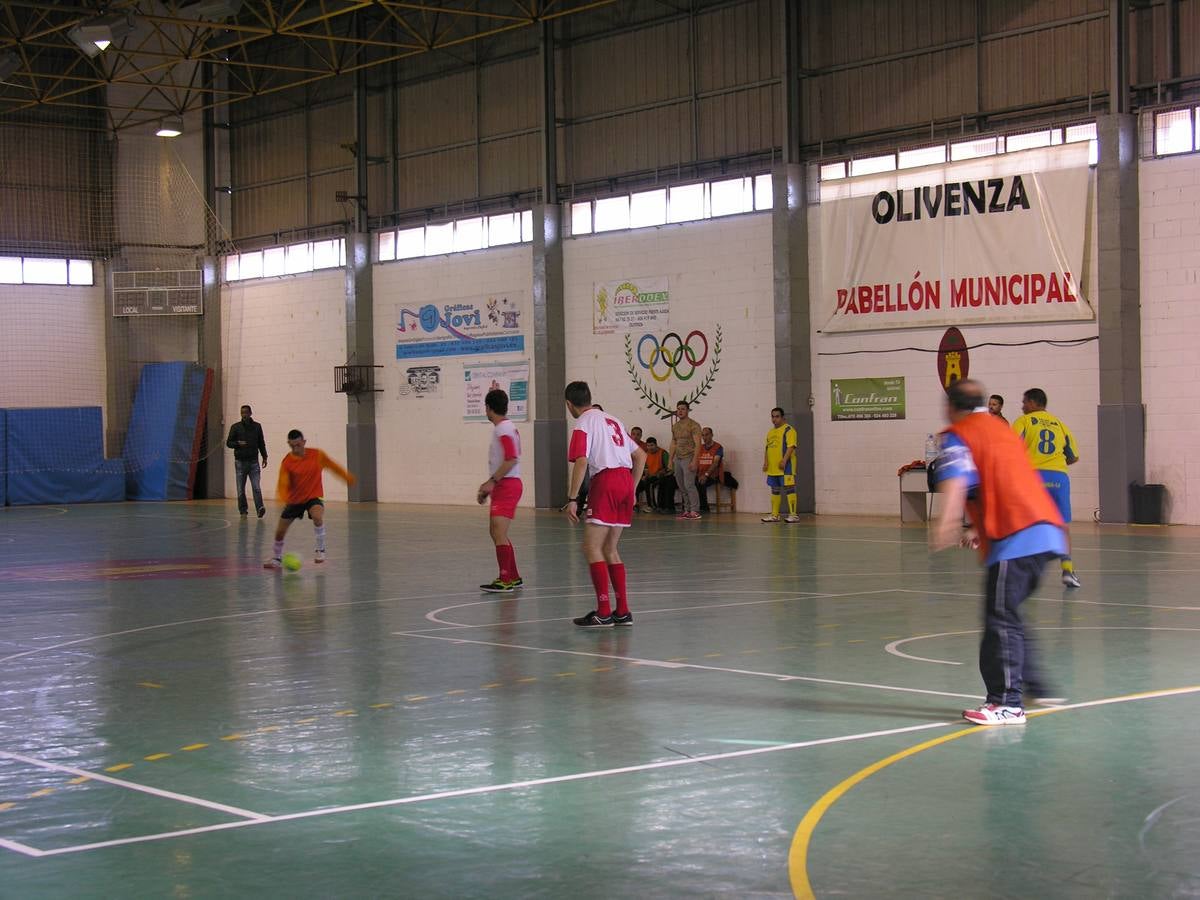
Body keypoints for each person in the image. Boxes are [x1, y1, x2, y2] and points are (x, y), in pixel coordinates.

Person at [929, 379, 1068, 726]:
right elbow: (1005, 478)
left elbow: (958, 479)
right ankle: (1036, 685)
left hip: (1016, 535)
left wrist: (945, 522)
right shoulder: (1001, 430)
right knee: (1009, 613)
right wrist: (978, 527)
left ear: (950, 407)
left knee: (1001, 619)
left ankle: (1007, 703)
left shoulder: (958, 433)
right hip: (1045, 532)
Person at [564, 381, 647, 627]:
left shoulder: (583, 423)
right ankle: (622, 611)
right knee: (610, 549)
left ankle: (603, 610)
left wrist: (572, 498)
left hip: (607, 480)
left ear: (570, 404)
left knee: (591, 548)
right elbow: (640, 455)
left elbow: (581, 460)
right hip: (624, 480)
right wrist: (632, 489)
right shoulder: (614, 420)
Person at [1012, 388, 1081, 588]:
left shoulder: (1023, 422)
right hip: (1059, 477)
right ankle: (1068, 571)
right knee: (1062, 527)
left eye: (1024, 402)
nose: (1022, 406)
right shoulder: (1060, 424)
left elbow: (1010, 446)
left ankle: (1024, 571)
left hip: (1033, 476)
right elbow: (1074, 455)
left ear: (1033, 403)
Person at [264, 429, 355, 569]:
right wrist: (282, 497)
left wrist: (346, 477)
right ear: (289, 444)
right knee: (280, 531)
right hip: (295, 500)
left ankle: (320, 549)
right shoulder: (287, 462)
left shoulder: (317, 455)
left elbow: (333, 466)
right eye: (292, 446)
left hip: (313, 496)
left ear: (304, 442)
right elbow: (282, 483)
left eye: (298, 445)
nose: (295, 448)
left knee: (317, 516)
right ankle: (276, 557)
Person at [476, 389, 524, 593]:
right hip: (507, 484)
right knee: (497, 532)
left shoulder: (502, 429)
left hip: (507, 484)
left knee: (498, 532)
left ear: (488, 408)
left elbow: (512, 457)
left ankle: (505, 579)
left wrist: (492, 482)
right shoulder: (507, 427)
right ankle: (513, 576)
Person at [226, 404, 268, 517]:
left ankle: (260, 508)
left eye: (246, 412)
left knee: (256, 487)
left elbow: (261, 442)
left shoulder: (257, 427)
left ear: (250, 413)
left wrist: (265, 456)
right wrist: (237, 443)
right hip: (240, 462)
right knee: (240, 489)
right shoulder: (235, 427)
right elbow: (228, 443)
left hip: (254, 462)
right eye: (242, 413)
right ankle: (243, 510)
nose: (244, 415)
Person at [762, 407, 799, 523]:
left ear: (783, 417)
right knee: (774, 490)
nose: (774, 419)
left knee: (789, 488)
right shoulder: (770, 432)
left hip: (785, 466)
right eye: (772, 416)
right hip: (773, 468)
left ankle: (793, 515)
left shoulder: (789, 430)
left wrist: (784, 460)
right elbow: (767, 448)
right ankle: (775, 515)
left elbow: (791, 446)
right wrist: (766, 462)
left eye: (777, 416)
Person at [669, 401, 703, 520]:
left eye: (683, 409)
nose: (680, 411)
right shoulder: (675, 426)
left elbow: (698, 444)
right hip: (678, 458)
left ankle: (695, 510)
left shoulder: (694, 425)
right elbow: (673, 443)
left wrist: (694, 460)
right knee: (681, 485)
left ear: (688, 410)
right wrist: (670, 460)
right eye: (678, 409)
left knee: (689, 485)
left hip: (689, 457)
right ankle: (687, 510)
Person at [695, 427, 725, 513]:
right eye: (703, 435)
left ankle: (704, 508)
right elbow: (696, 461)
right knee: (689, 482)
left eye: (707, 435)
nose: (704, 437)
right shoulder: (699, 447)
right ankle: (692, 507)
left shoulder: (718, 447)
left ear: (712, 435)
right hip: (700, 474)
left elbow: (715, 463)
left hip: (713, 475)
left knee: (701, 483)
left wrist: (706, 475)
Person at [637, 436, 670, 513]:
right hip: (650, 476)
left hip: (660, 476)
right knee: (636, 484)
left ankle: (652, 506)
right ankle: (635, 506)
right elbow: (646, 468)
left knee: (649, 484)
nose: (650, 447)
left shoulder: (663, 453)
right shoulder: (645, 454)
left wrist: (661, 472)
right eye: (648, 446)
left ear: (656, 445)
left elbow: (668, 468)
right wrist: (645, 476)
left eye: (652, 445)